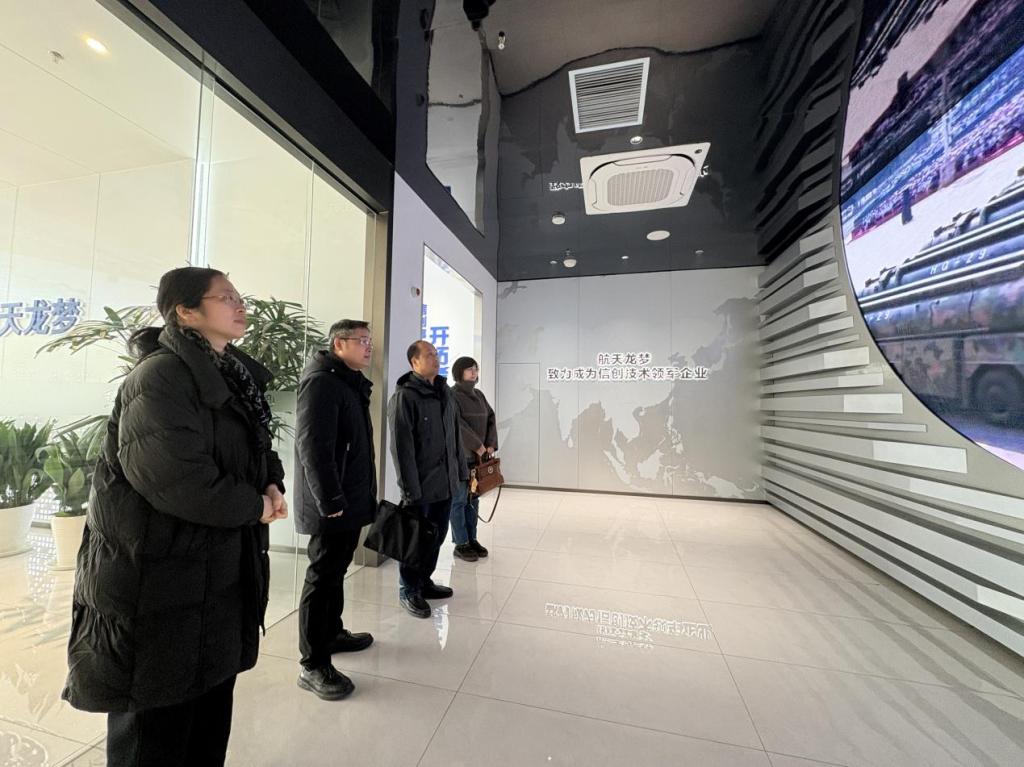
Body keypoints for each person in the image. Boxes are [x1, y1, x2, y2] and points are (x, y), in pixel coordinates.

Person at [62, 266, 288, 767]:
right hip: (158, 584)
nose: (240, 304)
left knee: (207, 726)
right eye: (225, 296)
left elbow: (258, 448)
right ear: (186, 312)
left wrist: (271, 483)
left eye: (238, 295)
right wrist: (254, 505)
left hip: (216, 576)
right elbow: (177, 481)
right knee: (155, 732)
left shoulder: (234, 374)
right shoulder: (159, 376)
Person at [293, 319, 377, 701]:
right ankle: (312, 663)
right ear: (338, 344)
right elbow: (313, 447)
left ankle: (332, 633)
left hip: (348, 498)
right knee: (322, 576)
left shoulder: (346, 382)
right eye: (362, 340)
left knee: (336, 571)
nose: (369, 347)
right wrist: (330, 501)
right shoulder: (322, 383)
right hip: (331, 503)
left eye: (369, 340)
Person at [387, 340, 468, 618]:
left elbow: (455, 437)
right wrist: (409, 489)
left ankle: (424, 581)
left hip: (446, 483)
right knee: (416, 540)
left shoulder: (444, 392)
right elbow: (401, 448)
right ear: (414, 362)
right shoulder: (405, 397)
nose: (435, 358)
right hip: (420, 486)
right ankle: (409, 588)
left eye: (436, 353)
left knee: (437, 536)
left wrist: (461, 473)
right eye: (429, 355)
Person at [449, 356, 497, 562]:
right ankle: (461, 543)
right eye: (469, 369)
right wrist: (477, 445)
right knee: (459, 500)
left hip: (479, 459)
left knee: (473, 499)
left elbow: (491, 418)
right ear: (459, 372)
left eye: (476, 369)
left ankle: (472, 539)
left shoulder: (479, 395)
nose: (474, 372)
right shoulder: (451, 395)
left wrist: (490, 444)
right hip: (461, 458)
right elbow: (457, 424)